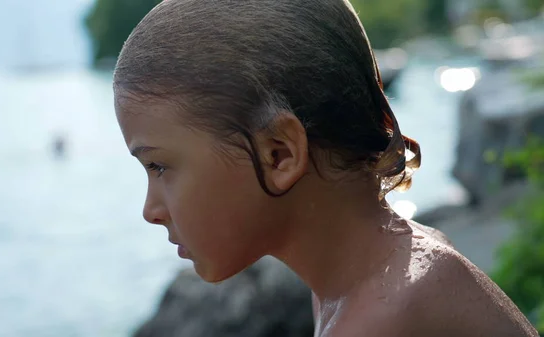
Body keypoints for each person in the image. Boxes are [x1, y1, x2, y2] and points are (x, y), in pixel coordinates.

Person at [112, 0, 538, 336]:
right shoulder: (372, 276)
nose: (151, 210)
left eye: (159, 166)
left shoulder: (391, 313)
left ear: (278, 154)